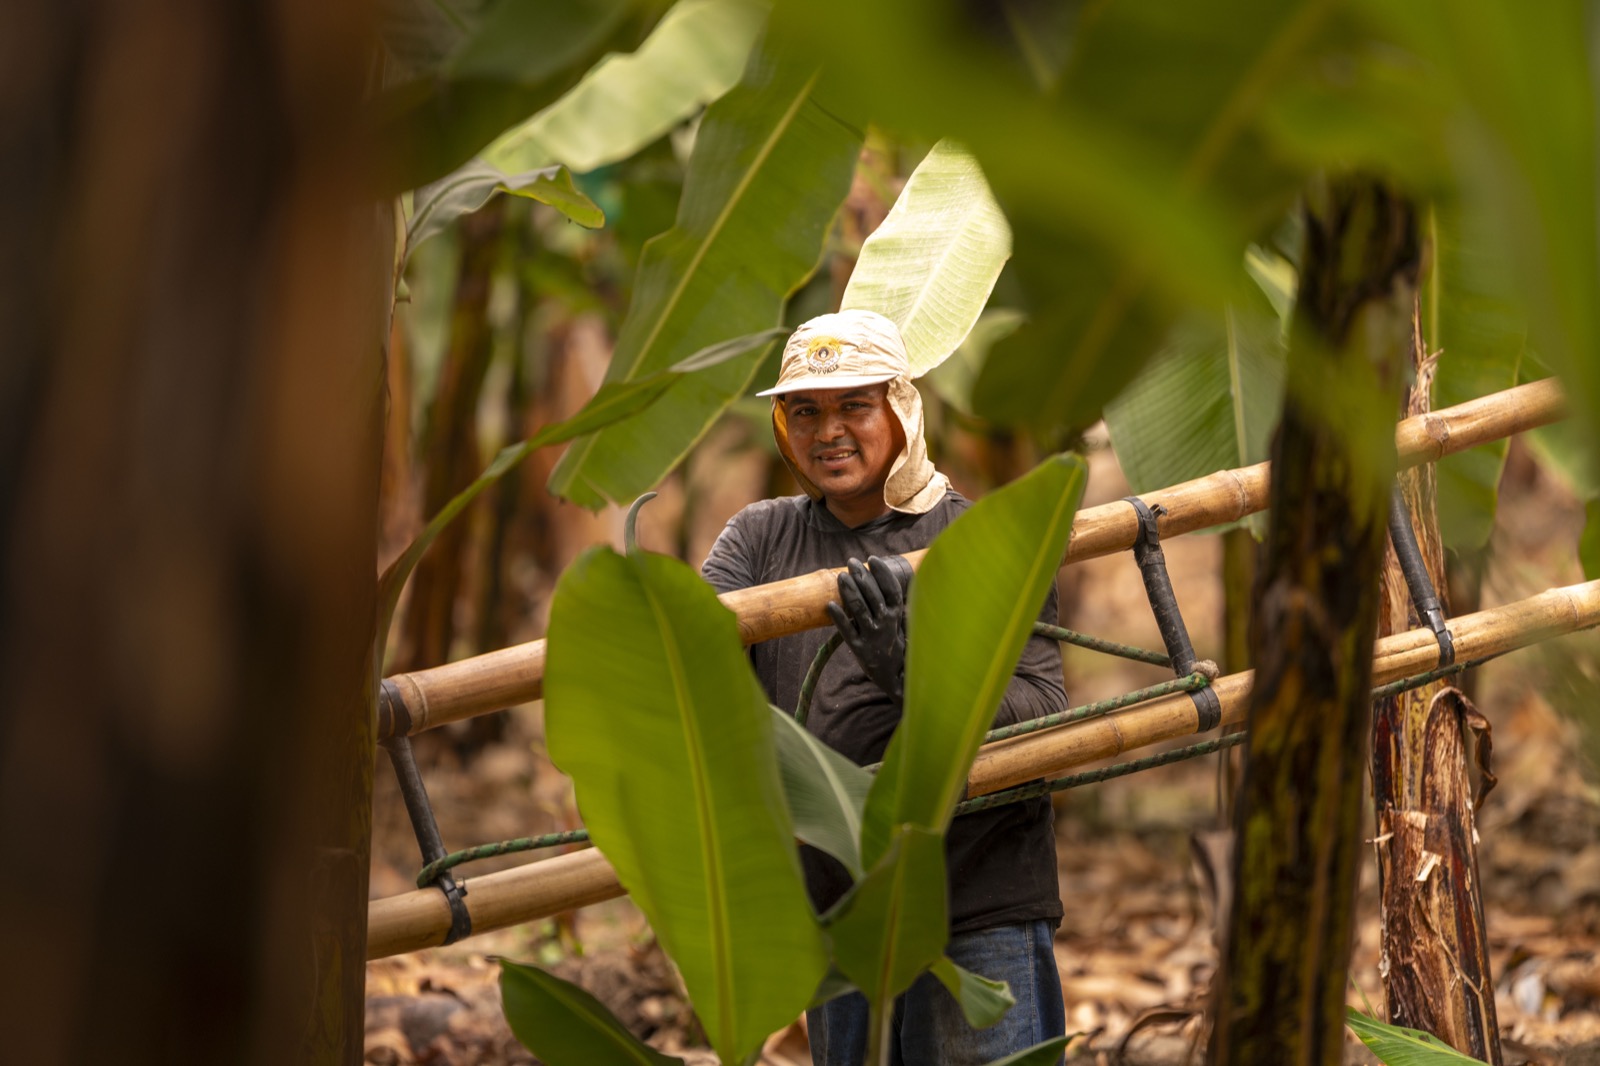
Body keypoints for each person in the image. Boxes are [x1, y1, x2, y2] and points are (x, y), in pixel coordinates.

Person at [700, 309, 1069, 1066]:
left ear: (901, 407)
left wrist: (909, 668)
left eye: (852, 406)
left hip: (977, 906)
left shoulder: (983, 540)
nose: (827, 430)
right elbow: (690, 661)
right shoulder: (760, 539)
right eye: (804, 410)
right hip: (839, 917)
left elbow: (1043, 717)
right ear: (782, 425)